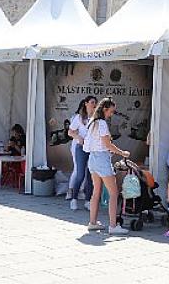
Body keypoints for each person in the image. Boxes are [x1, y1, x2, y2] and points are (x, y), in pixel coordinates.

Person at [84, 97, 131, 235]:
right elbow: (107, 144)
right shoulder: (102, 124)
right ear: (105, 109)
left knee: (96, 192)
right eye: (111, 111)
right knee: (114, 193)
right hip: (101, 159)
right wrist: (122, 153)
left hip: (92, 158)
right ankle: (113, 226)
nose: (112, 114)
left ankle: (92, 223)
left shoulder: (92, 121)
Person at [67, 96, 96, 211]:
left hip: (92, 149)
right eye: (92, 102)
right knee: (80, 174)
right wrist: (78, 137)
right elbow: (70, 131)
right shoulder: (79, 118)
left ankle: (88, 201)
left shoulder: (96, 119)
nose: (94, 105)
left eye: (95, 103)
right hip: (81, 148)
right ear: (86, 104)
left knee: (90, 176)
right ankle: (74, 199)